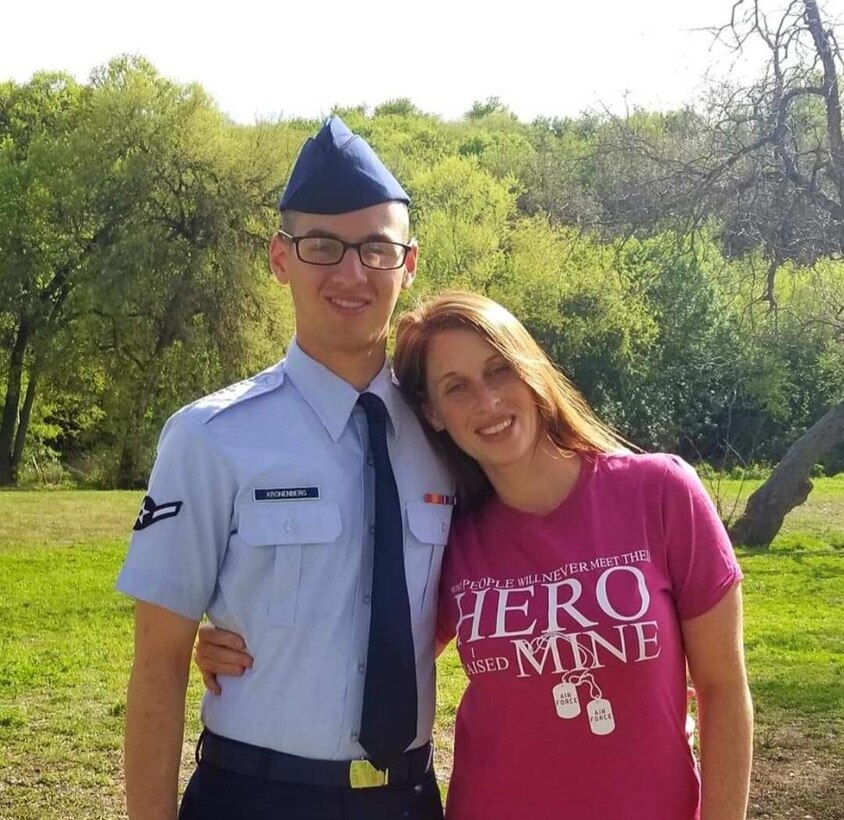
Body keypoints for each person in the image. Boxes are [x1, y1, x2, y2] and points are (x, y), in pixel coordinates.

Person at [198, 291, 754, 819]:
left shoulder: (659, 493)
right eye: (456, 387)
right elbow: (375, 647)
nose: (488, 402)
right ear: (433, 412)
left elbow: (723, 688)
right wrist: (248, 642)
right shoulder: (454, 534)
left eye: (499, 370)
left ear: (532, 369)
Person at [116, 116, 453, 820]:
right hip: (255, 796)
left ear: (409, 263)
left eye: (377, 249)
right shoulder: (211, 436)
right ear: (280, 258)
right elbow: (158, 662)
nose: (352, 273)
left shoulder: (449, 432)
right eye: (322, 246)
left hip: (409, 799)